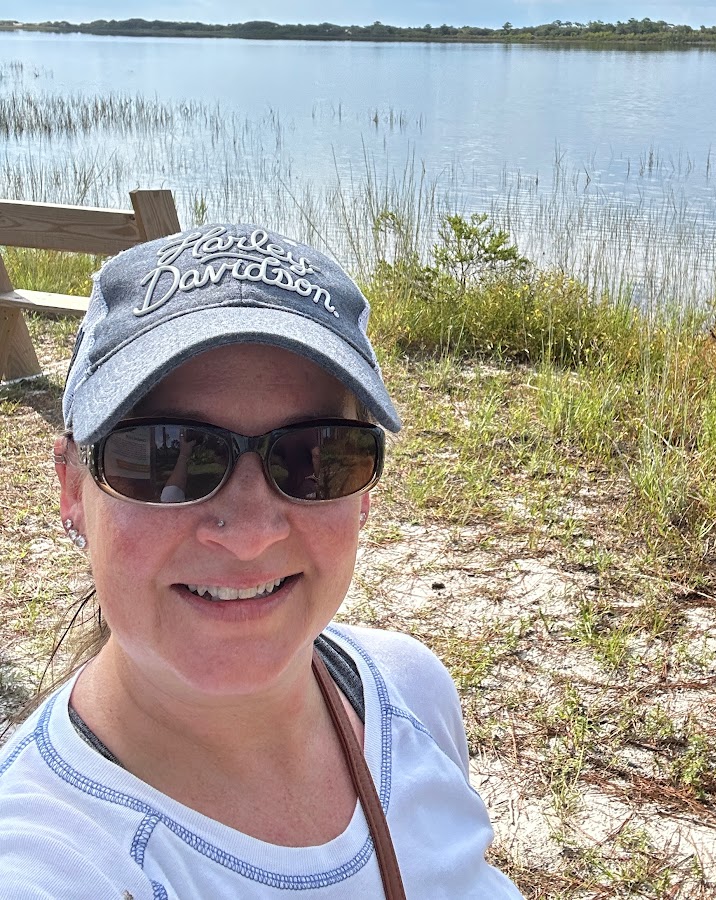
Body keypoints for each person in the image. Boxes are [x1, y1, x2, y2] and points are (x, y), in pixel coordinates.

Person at [0, 224, 524, 898]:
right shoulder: (46, 861)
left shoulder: (411, 692)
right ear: (73, 489)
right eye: (167, 455)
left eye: (314, 456)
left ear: (363, 495)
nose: (249, 534)